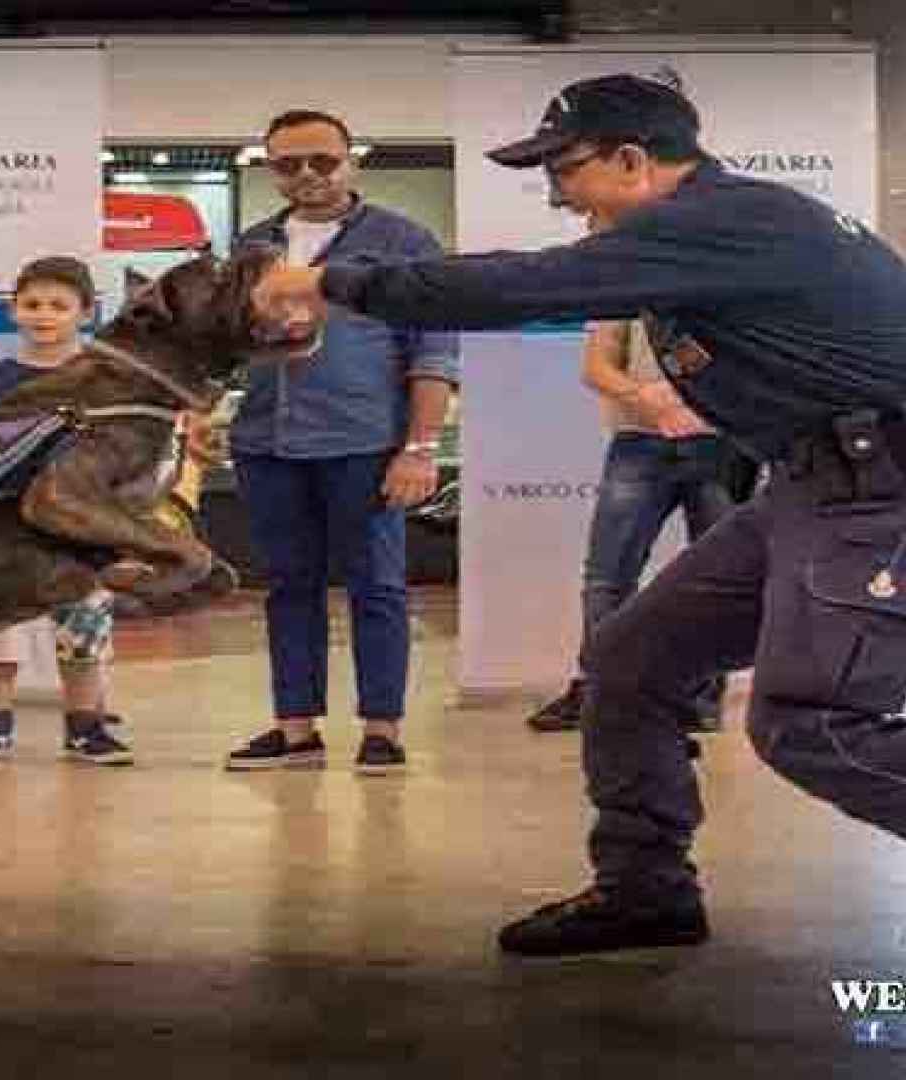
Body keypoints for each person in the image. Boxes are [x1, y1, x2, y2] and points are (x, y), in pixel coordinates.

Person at [252, 72, 906, 956]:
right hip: (813, 482)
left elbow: (525, 286)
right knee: (628, 664)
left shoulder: (721, 221)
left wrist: (334, 281)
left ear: (632, 159)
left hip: (881, 484)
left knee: (813, 722)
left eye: (564, 171)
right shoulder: (709, 234)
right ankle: (647, 891)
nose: (558, 197)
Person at [224, 108, 458, 775]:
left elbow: (435, 350)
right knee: (286, 585)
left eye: (322, 160)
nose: (306, 175)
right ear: (270, 169)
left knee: (377, 586)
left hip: (365, 442)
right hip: (267, 441)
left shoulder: (403, 240)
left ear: (350, 160)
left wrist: (420, 447)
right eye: (288, 164)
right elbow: (225, 340)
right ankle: (295, 730)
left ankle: (381, 728)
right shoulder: (252, 244)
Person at [0, 256, 132, 766]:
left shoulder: (106, 380)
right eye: (32, 304)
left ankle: (87, 727)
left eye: (59, 306)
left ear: (85, 312)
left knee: (84, 631)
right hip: (4, 527)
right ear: (13, 311)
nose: (44, 315)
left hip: (80, 529)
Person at [526, 316, 733, 732]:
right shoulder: (632, 283)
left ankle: (702, 697)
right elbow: (596, 366)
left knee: (721, 579)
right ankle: (600, 690)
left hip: (724, 443)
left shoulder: (742, 281)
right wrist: (645, 395)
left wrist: (702, 402)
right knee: (608, 576)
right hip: (640, 441)